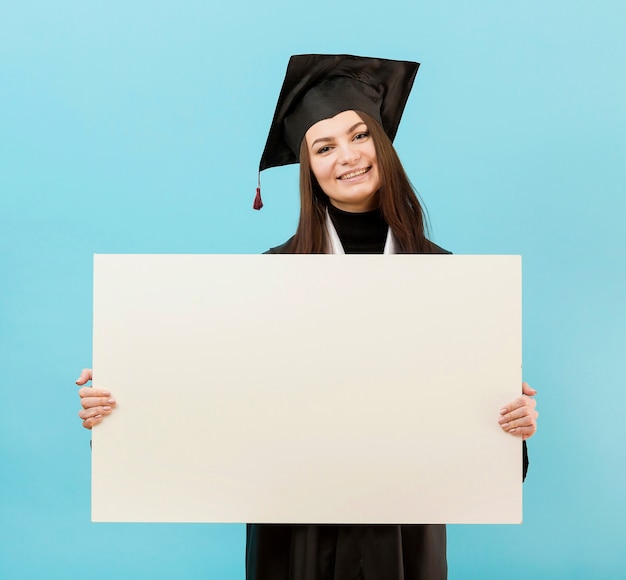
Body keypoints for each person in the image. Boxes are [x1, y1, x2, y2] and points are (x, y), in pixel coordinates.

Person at [77, 54, 539, 580]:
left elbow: (482, 453)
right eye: (324, 147)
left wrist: (511, 430)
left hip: (404, 534)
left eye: (360, 136)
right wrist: (119, 409)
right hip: (293, 535)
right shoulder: (271, 278)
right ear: (309, 168)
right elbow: (210, 399)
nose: (348, 156)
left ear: (383, 147)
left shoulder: (450, 279)